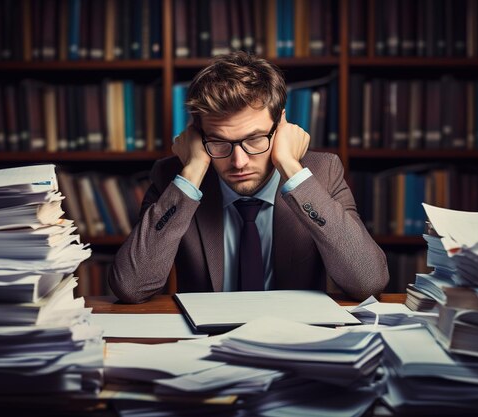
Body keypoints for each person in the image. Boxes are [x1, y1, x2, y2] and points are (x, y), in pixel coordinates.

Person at [109, 51, 388, 303]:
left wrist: (291, 168)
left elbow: (369, 282)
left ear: (281, 125)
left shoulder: (321, 173)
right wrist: (192, 172)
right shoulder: (174, 177)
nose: (238, 161)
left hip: (295, 341)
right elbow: (131, 287)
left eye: (254, 139)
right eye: (219, 142)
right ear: (196, 134)